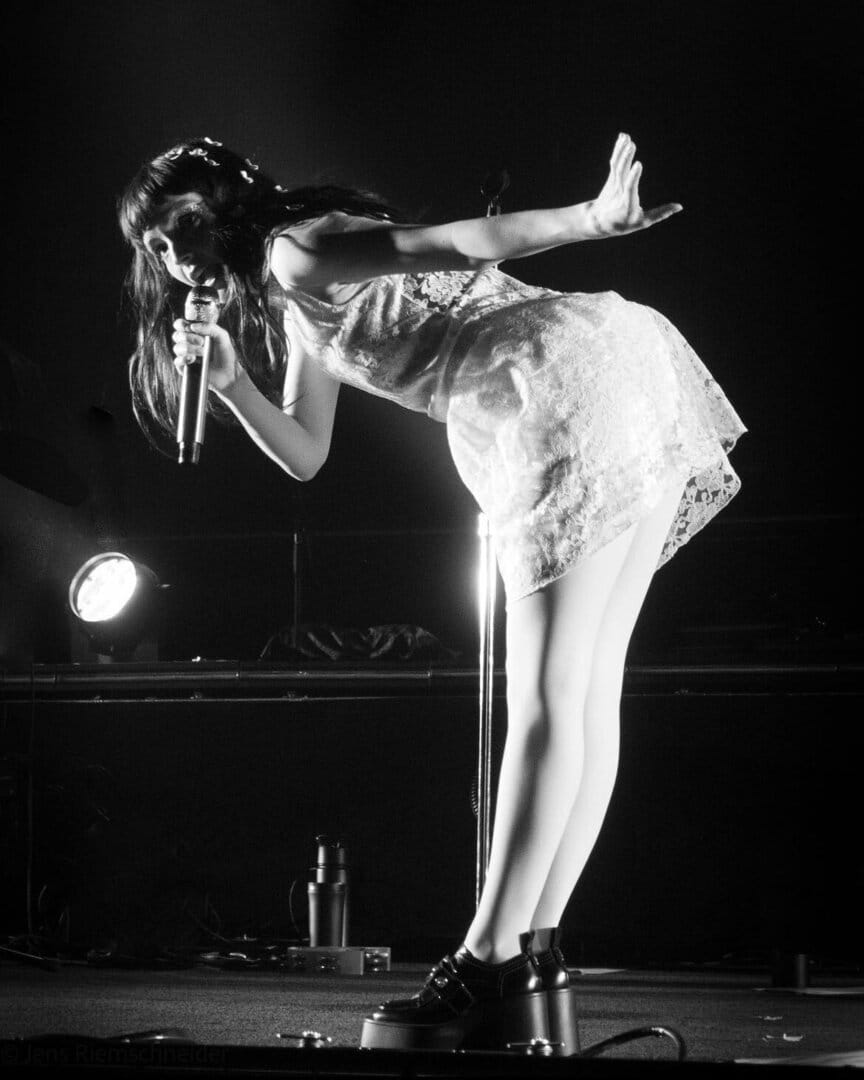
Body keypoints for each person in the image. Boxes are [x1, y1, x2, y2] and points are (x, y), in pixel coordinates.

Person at [119, 134, 746, 1051]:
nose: (174, 256)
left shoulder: (297, 249)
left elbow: (455, 241)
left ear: (225, 203)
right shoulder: (299, 287)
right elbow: (305, 453)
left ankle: (486, 960)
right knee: (584, 694)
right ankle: (531, 951)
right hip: (611, 364)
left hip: (547, 380)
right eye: (155, 247)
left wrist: (590, 219)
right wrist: (228, 382)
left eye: (180, 226)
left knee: (547, 698)